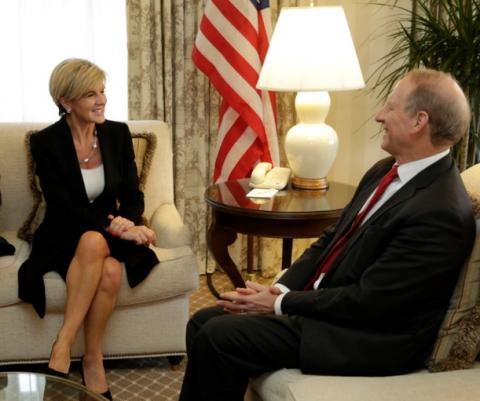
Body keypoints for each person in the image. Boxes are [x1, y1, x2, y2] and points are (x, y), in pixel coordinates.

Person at [178, 69, 476, 401]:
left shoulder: (440, 212)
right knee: (203, 321)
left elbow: (369, 301)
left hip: (367, 337)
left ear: (419, 121)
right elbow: (332, 238)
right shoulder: (387, 170)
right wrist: (281, 287)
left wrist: (278, 303)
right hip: (335, 310)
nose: (379, 115)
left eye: (390, 107)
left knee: (218, 335)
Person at [18, 58, 159, 400]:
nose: (101, 101)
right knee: (109, 270)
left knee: (98, 245)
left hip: (107, 230)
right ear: (66, 102)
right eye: (90, 94)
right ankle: (89, 357)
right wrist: (118, 229)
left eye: (103, 91)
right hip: (65, 230)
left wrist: (127, 221)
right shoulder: (46, 142)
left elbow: (132, 194)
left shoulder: (117, 133)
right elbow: (62, 206)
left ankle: (67, 346)